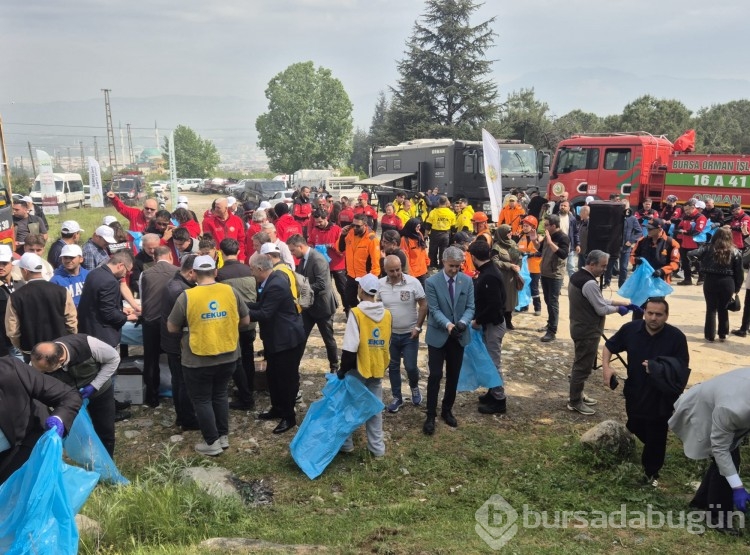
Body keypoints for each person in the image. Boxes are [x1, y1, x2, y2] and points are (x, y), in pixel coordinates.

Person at [167, 255, 250, 455]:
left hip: (198, 358)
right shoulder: (230, 291)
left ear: (194, 274)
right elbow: (245, 320)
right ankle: (223, 436)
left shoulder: (187, 296)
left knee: (202, 399)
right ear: (215, 272)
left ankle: (211, 442)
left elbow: (171, 327)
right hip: (228, 354)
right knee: (220, 395)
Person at [602, 297, 690, 486]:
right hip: (635, 390)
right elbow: (609, 346)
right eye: (649, 313)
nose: (653, 318)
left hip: (662, 396)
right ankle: (647, 451)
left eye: (659, 314)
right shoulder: (631, 329)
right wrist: (606, 368)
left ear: (666, 316)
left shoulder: (676, 337)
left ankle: (651, 474)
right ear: (644, 313)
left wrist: (658, 370)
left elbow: (682, 369)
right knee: (635, 424)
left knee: (657, 434)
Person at [669, 367, 750, 532]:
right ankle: (719, 518)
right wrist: (737, 487)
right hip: (701, 408)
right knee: (727, 463)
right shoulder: (732, 410)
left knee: (726, 462)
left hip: (723, 399)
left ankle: (700, 503)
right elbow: (720, 449)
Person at [30, 334, 120, 456]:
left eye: (45, 371)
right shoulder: (38, 362)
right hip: (70, 400)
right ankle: (87, 460)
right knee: (78, 434)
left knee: (105, 429)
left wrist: (95, 385)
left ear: (60, 361)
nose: (41, 373)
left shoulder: (88, 345)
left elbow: (114, 359)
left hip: (100, 391)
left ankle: (107, 466)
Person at [567, 250, 634, 415]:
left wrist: (621, 302)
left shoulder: (578, 276)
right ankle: (575, 401)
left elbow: (598, 299)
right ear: (592, 264)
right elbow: (600, 308)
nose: (605, 269)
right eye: (602, 266)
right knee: (582, 366)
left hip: (580, 326)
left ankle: (579, 394)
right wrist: (620, 309)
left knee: (581, 362)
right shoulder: (589, 283)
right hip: (587, 330)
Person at [247, 254, 306, 435]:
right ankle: (277, 408)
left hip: (286, 340)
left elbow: (265, 313)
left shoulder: (276, 284)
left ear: (259, 269)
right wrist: (244, 304)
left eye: (251, 269)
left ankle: (289, 417)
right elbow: (262, 305)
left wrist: (241, 311)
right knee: (272, 376)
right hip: (275, 339)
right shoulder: (271, 281)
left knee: (285, 379)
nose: (251, 273)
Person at [0, 357, 82, 484]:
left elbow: (68, 396)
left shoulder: (11, 371)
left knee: (24, 492)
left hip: (24, 442)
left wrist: (58, 419)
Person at [337, 273, 391, 458]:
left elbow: (350, 347)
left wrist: (343, 370)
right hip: (377, 366)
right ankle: (377, 448)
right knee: (375, 408)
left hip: (358, 368)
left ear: (361, 290)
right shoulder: (386, 314)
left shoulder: (357, 313)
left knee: (349, 406)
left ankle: (346, 444)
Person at [423, 246, 475, 435]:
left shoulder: (467, 281)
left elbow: (470, 307)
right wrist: (448, 325)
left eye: (458, 266)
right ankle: (430, 414)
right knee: (435, 375)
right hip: (438, 335)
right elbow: (434, 310)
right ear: (444, 262)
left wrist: (462, 323)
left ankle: (447, 409)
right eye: (451, 266)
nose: (454, 269)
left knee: (453, 375)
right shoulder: (431, 282)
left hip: (458, 336)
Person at [6, 253, 77, 360]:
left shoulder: (16, 296)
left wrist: (21, 346)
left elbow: (12, 330)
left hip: (31, 349)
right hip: (58, 347)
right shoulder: (61, 291)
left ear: (25, 271)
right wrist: (68, 340)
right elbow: (71, 321)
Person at [379, 255, 426, 413]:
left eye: (398, 269)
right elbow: (376, 307)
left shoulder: (413, 283)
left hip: (410, 334)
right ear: (385, 270)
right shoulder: (380, 285)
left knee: (411, 366)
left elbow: (423, 304)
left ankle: (414, 387)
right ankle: (397, 397)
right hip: (390, 335)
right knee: (393, 366)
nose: (396, 273)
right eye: (391, 271)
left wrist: (418, 327)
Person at [216, 239, 258, 411]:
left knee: (235, 358)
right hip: (250, 320)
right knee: (248, 355)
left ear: (221, 253)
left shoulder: (220, 274)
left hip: (231, 323)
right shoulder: (250, 270)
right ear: (239, 251)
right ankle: (250, 386)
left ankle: (241, 390)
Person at [287, 234, 339, 372]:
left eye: (293, 250)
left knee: (328, 339)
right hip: (308, 307)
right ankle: (294, 365)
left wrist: (304, 290)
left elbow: (322, 284)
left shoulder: (317, 259)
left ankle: (334, 367)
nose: (292, 254)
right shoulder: (303, 259)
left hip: (322, 306)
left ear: (300, 246)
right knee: (301, 336)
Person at [468, 241, 508, 415]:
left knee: (493, 362)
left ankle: (499, 399)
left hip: (493, 324)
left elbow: (494, 305)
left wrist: (478, 320)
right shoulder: (488, 271)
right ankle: (493, 391)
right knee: (489, 360)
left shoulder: (489, 276)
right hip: (490, 324)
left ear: (473, 257)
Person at [160, 254, 199, 430]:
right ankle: (188, 419)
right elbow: (183, 320)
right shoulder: (179, 290)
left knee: (179, 381)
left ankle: (183, 416)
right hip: (177, 343)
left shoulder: (177, 283)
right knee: (184, 382)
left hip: (173, 341)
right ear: (191, 272)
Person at [687, 227, 744, 342]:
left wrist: (700, 264)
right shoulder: (735, 251)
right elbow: (739, 272)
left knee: (711, 308)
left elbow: (690, 253)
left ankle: (710, 335)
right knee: (724, 308)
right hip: (728, 281)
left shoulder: (708, 248)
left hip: (710, 280)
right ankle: (723, 334)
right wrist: (737, 287)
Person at [77, 251, 139, 347]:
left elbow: (97, 302)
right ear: (120, 266)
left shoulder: (94, 273)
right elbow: (109, 313)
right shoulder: (110, 282)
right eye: (127, 271)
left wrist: (120, 309)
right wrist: (126, 317)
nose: (125, 275)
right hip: (102, 335)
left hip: (88, 328)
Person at [139, 246, 175, 407]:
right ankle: (178, 391)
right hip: (172, 320)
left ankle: (152, 397)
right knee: (175, 357)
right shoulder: (178, 271)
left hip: (151, 320)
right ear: (170, 256)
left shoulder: (145, 274)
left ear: (154, 259)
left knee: (151, 359)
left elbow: (142, 297)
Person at [536, 214, 570, 342]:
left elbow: (563, 254)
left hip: (555, 274)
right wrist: (534, 240)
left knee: (553, 301)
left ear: (554, 226)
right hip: (545, 272)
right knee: (547, 300)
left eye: (546, 225)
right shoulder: (547, 235)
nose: (544, 227)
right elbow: (540, 250)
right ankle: (550, 323)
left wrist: (550, 242)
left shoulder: (563, 238)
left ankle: (552, 331)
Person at [307, 209, 347, 315]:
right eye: (316, 222)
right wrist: (311, 246)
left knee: (342, 289)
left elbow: (344, 248)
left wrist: (332, 245)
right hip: (322, 266)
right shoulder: (315, 230)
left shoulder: (337, 230)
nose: (318, 224)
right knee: (323, 289)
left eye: (320, 221)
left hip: (338, 265)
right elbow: (310, 242)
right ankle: (326, 310)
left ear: (326, 218)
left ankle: (348, 310)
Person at [340, 213, 381, 311]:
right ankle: (359, 313)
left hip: (365, 277)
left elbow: (376, 262)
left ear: (365, 225)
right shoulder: (350, 233)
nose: (355, 228)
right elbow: (340, 248)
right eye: (353, 225)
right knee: (348, 298)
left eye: (358, 226)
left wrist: (372, 279)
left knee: (366, 302)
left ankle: (364, 315)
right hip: (351, 275)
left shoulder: (372, 239)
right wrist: (342, 235)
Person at [631, 217, 681, 285]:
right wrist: (635, 260)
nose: (648, 230)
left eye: (650, 229)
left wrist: (662, 271)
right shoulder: (641, 241)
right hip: (644, 279)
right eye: (647, 228)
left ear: (659, 229)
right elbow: (632, 255)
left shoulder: (671, 243)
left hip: (662, 280)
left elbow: (675, 263)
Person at [491, 224, 522, 330]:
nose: (510, 234)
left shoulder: (512, 244)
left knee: (510, 300)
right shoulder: (497, 246)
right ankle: (501, 321)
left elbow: (518, 257)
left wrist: (518, 266)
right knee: (501, 300)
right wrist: (509, 266)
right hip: (501, 277)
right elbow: (495, 262)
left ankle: (508, 320)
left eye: (510, 231)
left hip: (511, 278)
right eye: (508, 232)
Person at [603, 203, 641, 289]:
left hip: (625, 247)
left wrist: (631, 241)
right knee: (609, 266)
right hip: (613, 246)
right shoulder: (614, 218)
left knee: (623, 267)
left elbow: (639, 232)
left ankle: (622, 285)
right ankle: (606, 282)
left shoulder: (632, 219)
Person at [202, 198, 246, 262]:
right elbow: (208, 242)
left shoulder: (237, 220)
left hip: (234, 258)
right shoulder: (208, 222)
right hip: (217, 259)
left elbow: (241, 240)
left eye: (218, 208)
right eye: (215, 207)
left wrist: (241, 257)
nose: (215, 209)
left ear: (226, 208)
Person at [675, 199, 707, 285]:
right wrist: (679, 231)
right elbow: (679, 226)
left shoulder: (700, 217)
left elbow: (698, 231)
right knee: (685, 261)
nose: (686, 212)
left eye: (687, 210)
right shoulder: (685, 216)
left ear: (693, 207)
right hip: (685, 243)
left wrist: (684, 232)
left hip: (696, 243)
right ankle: (687, 279)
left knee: (698, 261)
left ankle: (702, 278)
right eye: (685, 210)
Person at [0, 245, 23, 358]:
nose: (1, 267)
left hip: (23, 340)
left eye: (4, 263)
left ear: (12, 262)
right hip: (4, 345)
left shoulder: (20, 282)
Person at [424, 196, 456, 269]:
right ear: (446, 202)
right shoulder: (451, 213)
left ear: (438, 202)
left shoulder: (433, 212)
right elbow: (453, 227)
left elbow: (428, 225)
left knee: (432, 251)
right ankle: (442, 266)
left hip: (435, 234)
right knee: (444, 251)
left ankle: (432, 265)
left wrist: (425, 235)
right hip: (445, 234)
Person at [400, 218, 428, 286]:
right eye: (417, 226)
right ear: (412, 227)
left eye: (419, 226)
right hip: (412, 272)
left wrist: (427, 261)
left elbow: (423, 249)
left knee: (423, 292)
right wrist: (410, 273)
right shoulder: (404, 240)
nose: (419, 228)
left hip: (422, 269)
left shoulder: (419, 235)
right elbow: (405, 257)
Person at [557, 201, 579, 277]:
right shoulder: (555, 218)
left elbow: (576, 233)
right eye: (561, 205)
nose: (562, 207)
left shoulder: (572, 219)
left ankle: (573, 285)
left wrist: (578, 244)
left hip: (570, 246)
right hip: (558, 246)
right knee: (558, 267)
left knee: (571, 267)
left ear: (569, 208)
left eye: (565, 206)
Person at [576, 205, 591, 270]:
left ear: (585, 212)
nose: (579, 214)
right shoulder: (581, 222)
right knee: (580, 268)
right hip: (581, 250)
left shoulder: (590, 223)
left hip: (586, 251)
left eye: (581, 212)